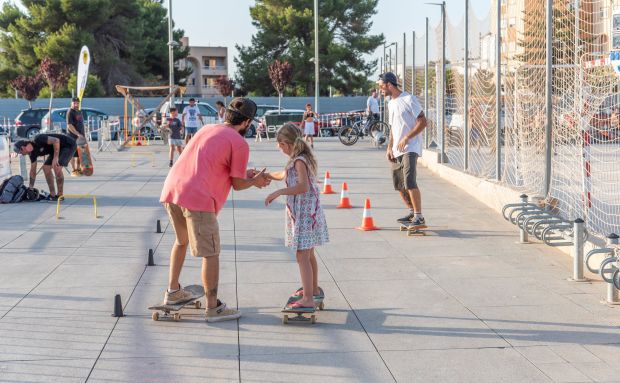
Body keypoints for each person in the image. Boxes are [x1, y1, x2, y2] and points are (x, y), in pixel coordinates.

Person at [160, 97, 271, 322]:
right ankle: (213, 307)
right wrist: (256, 181)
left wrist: (247, 174)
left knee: (181, 241)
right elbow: (238, 185)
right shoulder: (239, 143)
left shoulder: (207, 128)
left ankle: (172, 292)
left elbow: (215, 164)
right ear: (247, 122)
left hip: (173, 190)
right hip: (198, 198)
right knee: (211, 252)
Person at [265, 123, 329, 310]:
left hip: (305, 214)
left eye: (279, 144)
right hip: (307, 213)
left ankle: (308, 298)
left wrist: (279, 193)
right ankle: (313, 290)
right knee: (308, 254)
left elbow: (303, 187)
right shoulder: (299, 158)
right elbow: (283, 174)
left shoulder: (299, 161)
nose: (279, 148)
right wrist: (266, 175)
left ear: (286, 143)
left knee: (302, 255)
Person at [377, 72, 428, 228]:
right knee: (399, 184)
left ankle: (419, 216)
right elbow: (393, 128)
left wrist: (407, 138)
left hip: (410, 147)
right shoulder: (391, 103)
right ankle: (412, 211)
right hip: (396, 149)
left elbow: (423, 122)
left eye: (381, 86)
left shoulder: (409, 99)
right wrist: (389, 147)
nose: (380, 90)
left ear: (389, 85)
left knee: (409, 180)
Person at [13, 133, 77, 201]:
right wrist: (31, 188)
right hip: (55, 149)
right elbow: (33, 171)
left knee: (56, 167)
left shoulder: (38, 139)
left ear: (23, 148)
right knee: (46, 168)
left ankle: (60, 195)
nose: (22, 155)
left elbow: (56, 140)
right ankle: (52, 195)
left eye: (20, 152)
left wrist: (55, 158)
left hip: (68, 145)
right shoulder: (32, 154)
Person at [66, 97, 86, 177]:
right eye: (74, 103)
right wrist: (77, 134)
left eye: (77, 103)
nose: (76, 104)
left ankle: (78, 169)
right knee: (72, 154)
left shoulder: (79, 111)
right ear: (71, 103)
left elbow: (80, 124)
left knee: (80, 154)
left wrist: (83, 135)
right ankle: (73, 170)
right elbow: (69, 125)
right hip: (72, 137)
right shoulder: (70, 112)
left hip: (81, 136)